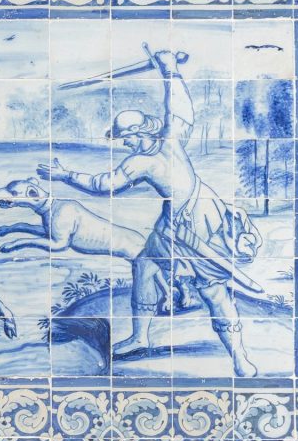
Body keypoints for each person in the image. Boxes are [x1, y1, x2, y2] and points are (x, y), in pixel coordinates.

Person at [37, 48, 261, 378]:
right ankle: (140, 337)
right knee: (145, 264)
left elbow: (103, 184)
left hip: (201, 222)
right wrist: (169, 71)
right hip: (173, 222)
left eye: (125, 138)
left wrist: (66, 175)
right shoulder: (168, 141)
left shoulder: (149, 155)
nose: (123, 144)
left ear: (138, 134)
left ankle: (240, 357)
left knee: (214, 290)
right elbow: (178, 109)